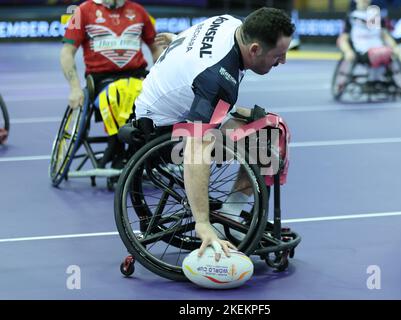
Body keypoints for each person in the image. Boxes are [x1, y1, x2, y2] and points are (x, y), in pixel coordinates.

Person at [134, 7, 295, 259]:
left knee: (272, 129)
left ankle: (232, 214)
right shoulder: (218, 79)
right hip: (162, 129)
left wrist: (177, 40)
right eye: (279, 55)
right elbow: (196, 147)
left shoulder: (230, 22)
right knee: (265, 146)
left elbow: (199, 45)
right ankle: (229, 218)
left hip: (170, 102)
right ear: (254, 49)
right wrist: (202, 222)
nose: (283, 61)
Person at [60, 0, 172, 168]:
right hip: (103, 79)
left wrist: (160, 74)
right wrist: (75, 88)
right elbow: (67, 52)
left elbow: (155, 48)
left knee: (155, 98)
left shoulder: (138, 11)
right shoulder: (82, 11)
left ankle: (147, 148)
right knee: (119, 95)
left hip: (137, 76)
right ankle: (117, 148)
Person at [338, 0, 399, 85]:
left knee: (387, 53)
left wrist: (395, 47)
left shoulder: (375, 14)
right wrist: (347, 51)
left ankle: (376, 78)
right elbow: (343, 39)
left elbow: (385, 36)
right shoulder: (351, 17)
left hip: (378, 47)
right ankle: (374, 79)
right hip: (362, 50)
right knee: (378, 54)